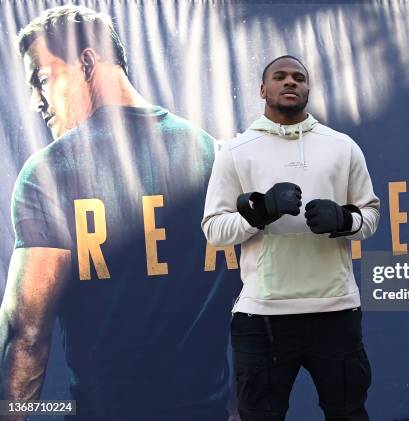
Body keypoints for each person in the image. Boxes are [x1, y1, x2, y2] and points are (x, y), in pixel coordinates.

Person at [0, 5, 233, 420]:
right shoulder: (212, 154)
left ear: (87, 61)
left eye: (41, 79)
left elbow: (26, 338)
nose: (36, 101)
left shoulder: (51, 172)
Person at [202, 55, 380, 421]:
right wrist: (260, 211)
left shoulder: (342, 146)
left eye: (298, 77)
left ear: (308, 88)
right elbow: (214, 230)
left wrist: (344, 219)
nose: (290, 82)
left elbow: (372, 215)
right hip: (263, 316)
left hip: (336, 311)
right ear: (262, 89)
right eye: (279, 76)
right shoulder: (235, 151)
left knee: (348, 413)